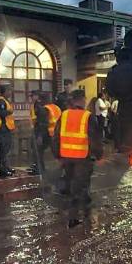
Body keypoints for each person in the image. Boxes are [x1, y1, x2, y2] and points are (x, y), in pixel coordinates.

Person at [52, 90, 103, 228]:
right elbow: (94, 138)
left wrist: (57, 155)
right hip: (82, 157)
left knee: (72, 184)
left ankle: (81, 212)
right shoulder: (88, 116)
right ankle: (76, 218)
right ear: (81, 100)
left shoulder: (64, 114)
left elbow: (56, 136)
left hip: (66, 157)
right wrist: (98, 154)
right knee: (81, 186)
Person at [34, 91, 61, 176]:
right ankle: (62, 169)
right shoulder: (56, 107)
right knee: (57, 152)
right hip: (56, 133)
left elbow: (42, 124)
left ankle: (40, 169)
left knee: (38, 151)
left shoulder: (44, 109)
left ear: (41, 100)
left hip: (47, 133)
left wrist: (39, 136)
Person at [0, 84, 17, 177]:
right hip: (3, 128)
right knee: (3, 149)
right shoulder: (1, 101)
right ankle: (3, 169)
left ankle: (6, 166)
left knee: (6, 148)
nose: (10, 93)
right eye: (9, 91)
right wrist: (9, 112)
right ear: (4, 91)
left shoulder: (5, 101)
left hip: (6, 128)